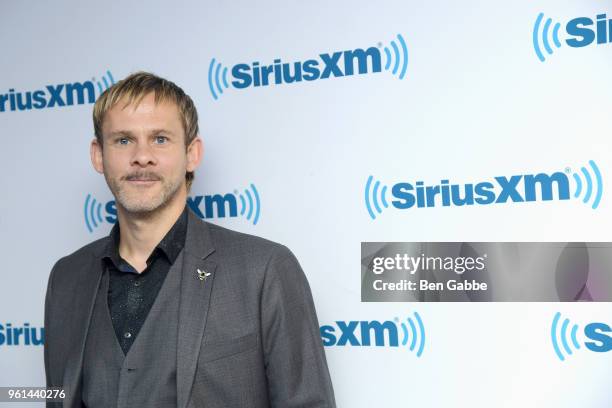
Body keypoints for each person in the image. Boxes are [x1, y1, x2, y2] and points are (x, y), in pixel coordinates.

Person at [44, 71, 336, 408]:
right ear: (98, 155)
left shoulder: (263, 270)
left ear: (192, 153)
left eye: (160, 139)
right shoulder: (65, 279)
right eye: (123, 140)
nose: (142, 156)